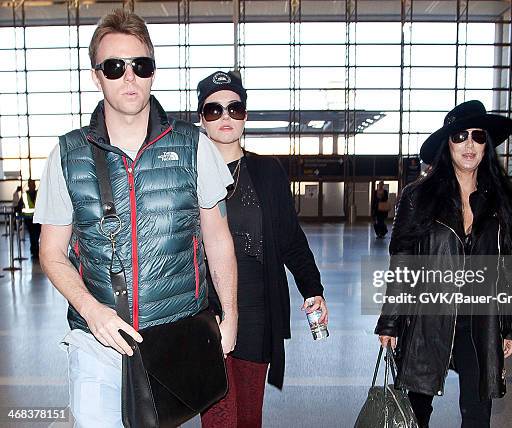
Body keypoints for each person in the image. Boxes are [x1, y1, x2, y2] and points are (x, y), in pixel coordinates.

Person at [34, 11, 238, 426]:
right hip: (98, 342)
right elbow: (52, 253)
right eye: (114, 67)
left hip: (174, 341)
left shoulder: (193, 147)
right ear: (96, 76)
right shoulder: (67, 155)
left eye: (140, 65)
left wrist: (231, 317)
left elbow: (218, 239)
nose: (129, 77)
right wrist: (92, 311)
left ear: (152, 72)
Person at [376, 100, 512, 428]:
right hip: (427, 316)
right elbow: (402, 263)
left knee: (476, 413)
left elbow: (510, 268)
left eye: (478, 136)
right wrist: (390, 321)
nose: (469, 144)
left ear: (487, 145)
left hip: (480, 321)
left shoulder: (501, 201)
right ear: (448, 145)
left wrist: (509, 325)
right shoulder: (419, 197)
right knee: (416, 412)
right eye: (460, 136)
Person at [196, 70, 328, 428]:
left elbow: (289, 237)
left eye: (234, 109)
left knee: (249, 417)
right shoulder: (186, 174)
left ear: (245, 116)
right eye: (214, 110)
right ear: (201, 119)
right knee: (220, 416)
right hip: (204, 311)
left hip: (256, 310)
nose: (225, 117)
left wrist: (312, 287)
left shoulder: (266, 172)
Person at [21, 178, 41, 258]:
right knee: (32, 235)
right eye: (31, 184)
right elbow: (20, 205)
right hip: (29, 219)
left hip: (37, 219)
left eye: (33, 184)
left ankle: (35, 250)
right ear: (29, 185)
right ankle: (34, 251)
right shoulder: (25, 195)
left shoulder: (39, 194)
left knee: (37, 235)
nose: (32, 186)